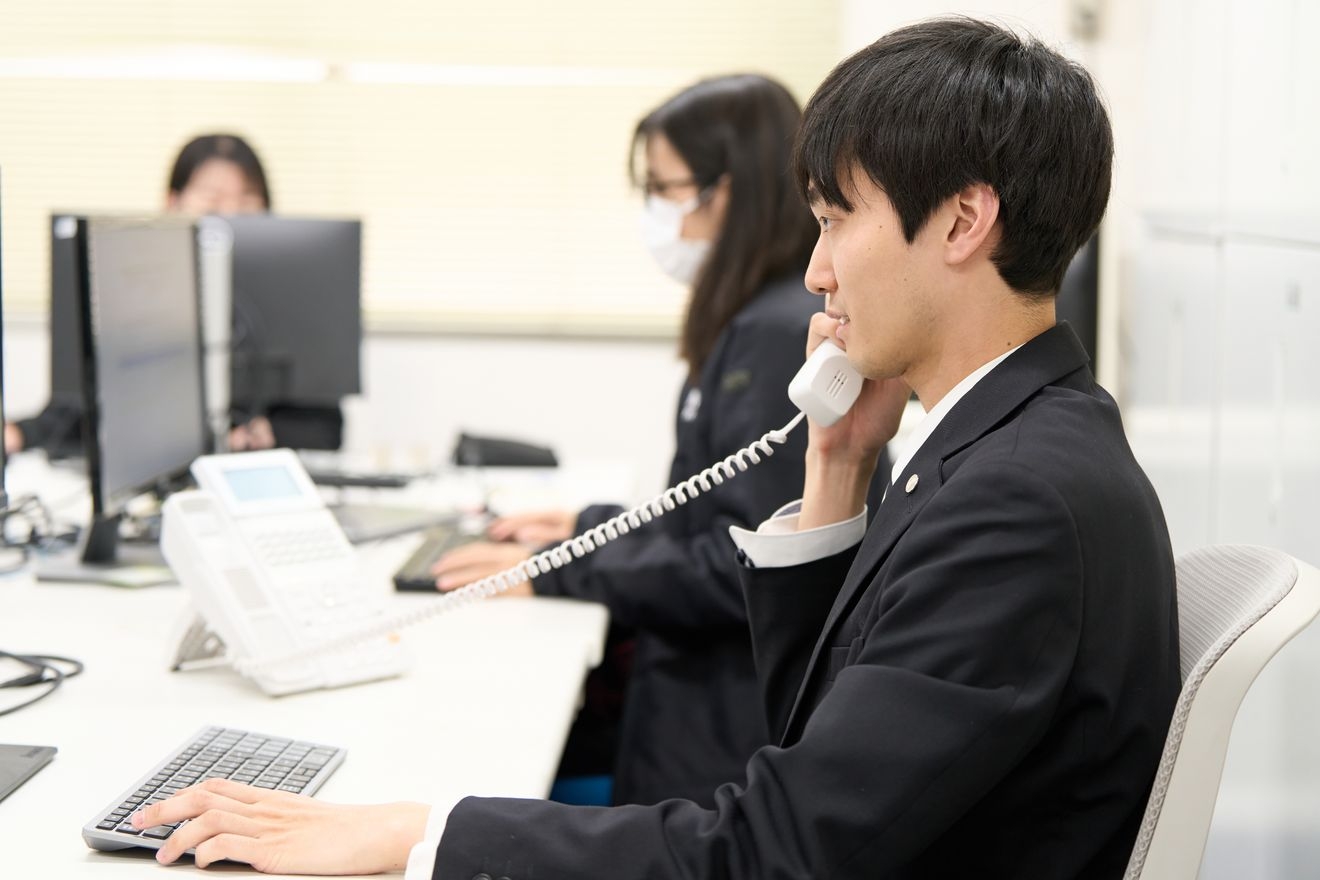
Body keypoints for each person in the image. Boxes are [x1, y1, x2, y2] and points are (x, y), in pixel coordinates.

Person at [131, 18, 1182, 878]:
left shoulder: (1019, 504)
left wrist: (420, 833)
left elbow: (775, 850)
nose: (815, 272)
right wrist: (835, 466)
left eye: (836, 221)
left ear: (962, 222)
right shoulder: (1003, 446)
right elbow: (816, 740)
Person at [431, 73, 850, 808]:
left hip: (714, 738)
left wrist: (556, 568)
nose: (655, 212)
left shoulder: (777, 333)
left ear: (729, 189)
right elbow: (713, 508)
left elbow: (741, 562)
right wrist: (587, 530)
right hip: (698, 704)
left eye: (664, 187)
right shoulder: (752, 318)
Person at [3, 133, 341, 456]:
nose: (231, 211)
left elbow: (327, 427)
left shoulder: (293, 292)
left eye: (247, 198)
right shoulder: (133, 284)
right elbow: (77, 409)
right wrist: (22, 434)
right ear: (172, 201)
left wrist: (269, 431)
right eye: (212, 197)